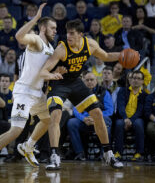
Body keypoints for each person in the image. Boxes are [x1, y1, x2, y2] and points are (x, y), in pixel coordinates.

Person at [0, 3, 58, 169]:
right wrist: (35, 18)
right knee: (16, 130)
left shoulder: (50, 47)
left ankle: (28, 146)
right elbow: (20, 36)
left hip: (37, 93)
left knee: (48, 121)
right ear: (43, 28)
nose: (55, 31)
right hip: (24, 92)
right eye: (52, 28)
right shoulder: (36, 41)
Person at [40, 19, 123, 170]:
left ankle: (108, 153)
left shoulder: (90, 45)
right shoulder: (62, 49)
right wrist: (53, 75)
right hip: (58, 83)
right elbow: (43, 71)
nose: (68, 36)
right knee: (56, 115)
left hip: (76, 83)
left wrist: (122, 55)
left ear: (81, 35)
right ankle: (54, 155)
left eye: (72, 33)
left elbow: (105, 56)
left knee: (97, 113)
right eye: (67, 33)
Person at [67, 72, 113, 160]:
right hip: (85, 121)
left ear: (96, 81)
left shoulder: (104, 92)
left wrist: (96, 118)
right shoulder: (79, 92)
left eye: (92, 80)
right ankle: (80, 153)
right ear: (83, 82)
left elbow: (110, 111)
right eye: (87, 80)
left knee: (107, 120)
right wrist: (83, 119)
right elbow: (75, 110)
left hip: (100, 119)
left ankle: (105, 152)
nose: (89, 82)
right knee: (71, 123)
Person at [114, 70, 147, 161]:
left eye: (138, 78)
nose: (135, 80)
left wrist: (131, 120)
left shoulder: (144, 95)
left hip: (137, 118)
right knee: (119, 124)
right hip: (123, 117)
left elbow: (140, 111)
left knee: (139, 124)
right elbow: (120, 106)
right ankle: (118, 152)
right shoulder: (122, 91)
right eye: (133, 78)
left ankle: (139, 153)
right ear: (129, 80)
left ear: (142, 81)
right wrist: (125, 118)